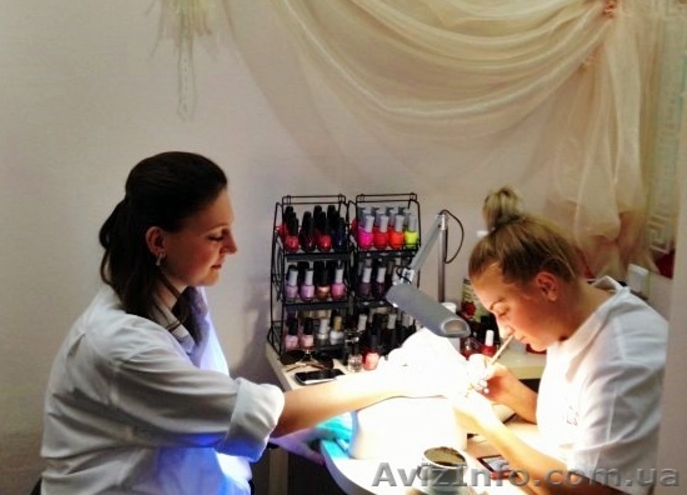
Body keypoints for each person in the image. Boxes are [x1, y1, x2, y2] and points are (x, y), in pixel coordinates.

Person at [39, 151, 424, 495]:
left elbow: (207, 394)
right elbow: (271, 417)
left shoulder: (183, 298)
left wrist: (293, 429)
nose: (233, 247)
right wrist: (397, 380)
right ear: (158, 242)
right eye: (215, 236)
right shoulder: (119, 348)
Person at [452, 186, 667, 495]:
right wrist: (510, 392)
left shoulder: (622, 363)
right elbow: (576, 427)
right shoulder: (571, 318)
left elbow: (595, 492)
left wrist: (490, 427)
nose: (503, 331)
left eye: (502, 311)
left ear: (546, 286)